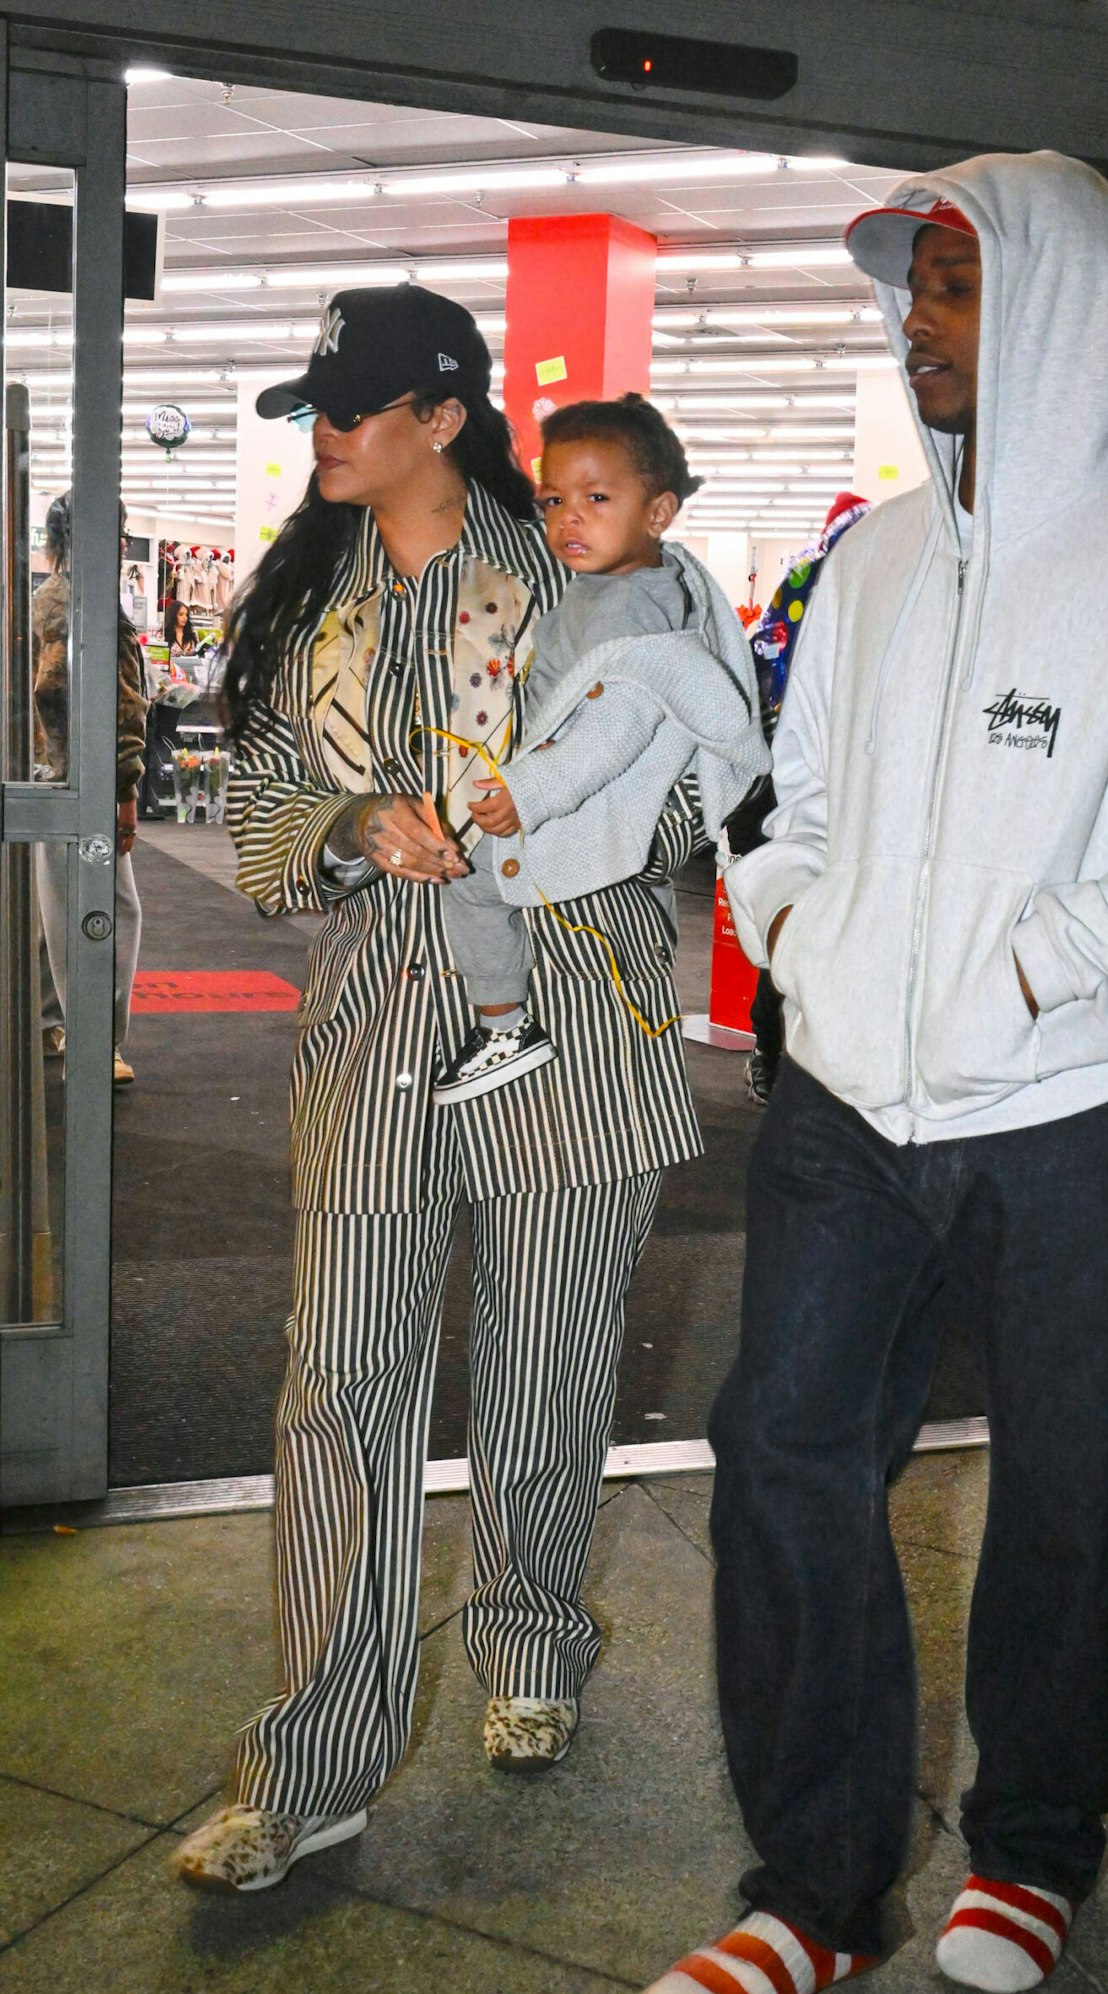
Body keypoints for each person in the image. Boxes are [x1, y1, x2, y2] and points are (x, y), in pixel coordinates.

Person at [630, 150, 1108, 1994]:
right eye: (912, 287)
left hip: (1070, 1106)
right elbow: (795, 802)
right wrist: (800, 924)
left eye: (953, 283)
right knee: (781, 1451)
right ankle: (820, 1889)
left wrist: (1035, 966)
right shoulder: (874, 560)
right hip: (854, 1098)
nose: (914, 320)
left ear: (1063, 304)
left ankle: (1029, 1843)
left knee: (1065, 1485)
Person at [174, 284, 709, 1894]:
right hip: (374, 1037)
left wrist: (513, 824)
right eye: (319, 407)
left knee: (546, 1367)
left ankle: (534, 1634)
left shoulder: (582, 569)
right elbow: (267, 801)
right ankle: (313, 1766)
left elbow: (679, 797)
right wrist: (347, 832)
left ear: (444, 421)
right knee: (336, 1388)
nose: (326, 432)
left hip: (567, 1026)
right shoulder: (303, 603)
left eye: (356, 405)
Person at [434, 394, 767, 1105]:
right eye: (553, 500)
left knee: (472, 882)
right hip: (559, 787)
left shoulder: (636, 609)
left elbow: (616, 722)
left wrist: (532, 791)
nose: (568, 518)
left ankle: (503, 1025)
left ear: (658, 513)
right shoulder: (601, 588)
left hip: (580, 799)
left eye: (595, 497)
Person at [733, 491, 871, 1106]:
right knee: (797, 930)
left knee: (793, 934)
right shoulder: (839, 581)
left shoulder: (807, 581)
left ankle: (780, 1057)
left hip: (778, 784)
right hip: (799, 786)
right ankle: (781, 1056)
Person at [32, 492, 146, 1087]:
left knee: (50, 909)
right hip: (79, 782)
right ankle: (96, 1040)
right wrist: (121, 796)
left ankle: (52, 1022)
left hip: (49, 778)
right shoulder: (86, 605)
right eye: (120, 531)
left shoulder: (47, 599)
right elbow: (99, 705)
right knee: (112, 912)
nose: (123, 543)